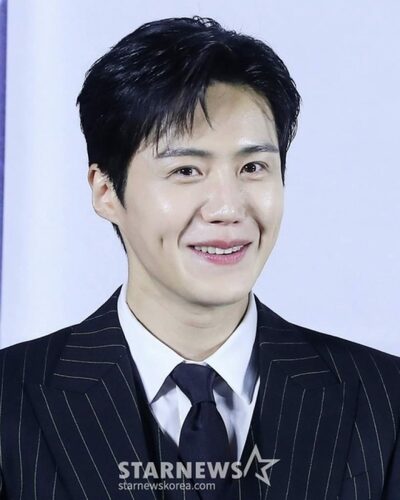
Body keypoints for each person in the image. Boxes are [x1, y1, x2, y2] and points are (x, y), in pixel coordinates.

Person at [0, 16, 399, 500]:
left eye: (253, 167)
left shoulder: (384, 399)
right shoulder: (11, 398)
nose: (228, 208)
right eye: (187, 170)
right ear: (106, 191)